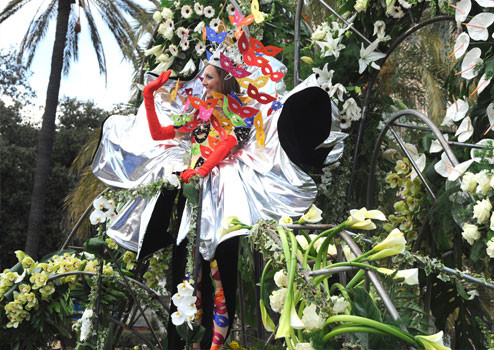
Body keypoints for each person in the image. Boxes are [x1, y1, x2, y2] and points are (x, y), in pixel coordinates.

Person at [143, 64, 244, 349]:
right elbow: (159, 133)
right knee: (184, 272)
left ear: (225, 80)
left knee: (220, 274)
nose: (205, 82)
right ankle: (181, 342)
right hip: (192, 196)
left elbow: (229, 141)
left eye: (210, 76)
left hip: (222, 198)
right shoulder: (199, 115)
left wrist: (203, 169)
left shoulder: (238, 112)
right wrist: (149, 96)